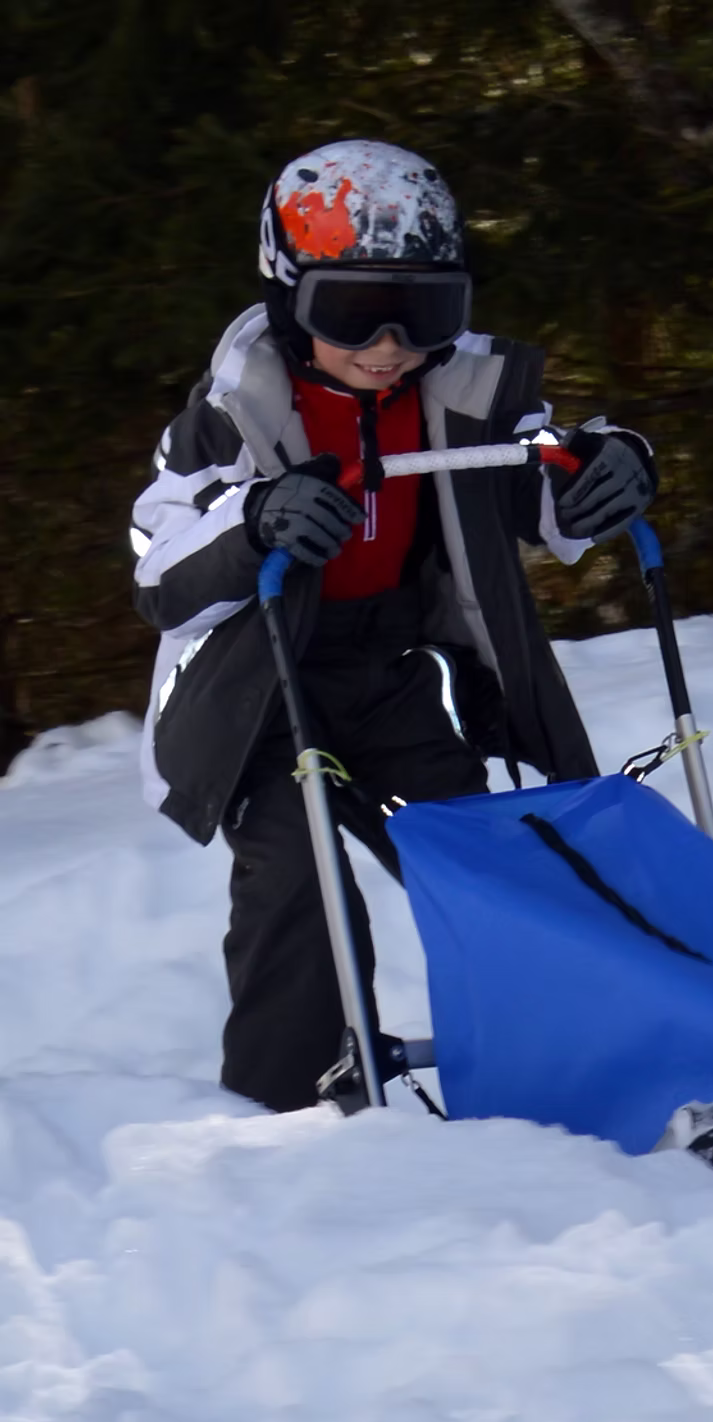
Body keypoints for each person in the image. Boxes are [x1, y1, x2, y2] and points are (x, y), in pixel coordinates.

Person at [131, 139, 658, 1113]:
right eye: (350, 312)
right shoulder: (232, 415)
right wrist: (254, 520)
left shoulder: (460, 396)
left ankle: (564, 1073)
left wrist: (607, 460)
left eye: (424, 313)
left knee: (485, 856)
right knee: (300, 879)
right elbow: (159, 568)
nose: (388, 343)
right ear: (288, 299)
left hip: (391, 679)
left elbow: (539, 473)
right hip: (263, 696)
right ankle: (286, 1112)